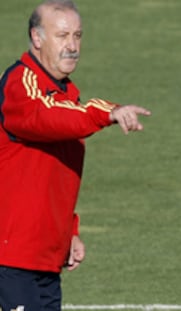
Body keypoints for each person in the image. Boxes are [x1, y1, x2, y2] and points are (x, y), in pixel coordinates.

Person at [0, 0, 151, 310]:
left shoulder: (66, 93)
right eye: (62, 35)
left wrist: (69, 230)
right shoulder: (21, 84)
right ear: (37, 38)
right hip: (10, 258)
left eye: (78, 36)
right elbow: (47, 118)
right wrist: (107, 111)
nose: (72, 46)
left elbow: (56, 171)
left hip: (43, 260)